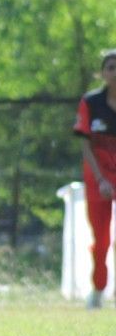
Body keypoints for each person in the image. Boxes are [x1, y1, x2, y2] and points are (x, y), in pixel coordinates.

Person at [73, 48, 116, 310]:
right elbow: (85, 145)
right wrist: (101, 180)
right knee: (101, 241)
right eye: (110, 67)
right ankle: (99, 289)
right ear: (102, 73)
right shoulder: (91, 102)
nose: (115, 72)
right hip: (99, 179)